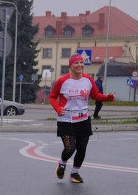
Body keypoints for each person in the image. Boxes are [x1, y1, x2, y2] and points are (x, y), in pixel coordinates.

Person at [49, 53, 115, 183]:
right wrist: (58, 109)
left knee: (82, 148)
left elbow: (95, 95)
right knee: (70, 148)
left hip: (83, 120)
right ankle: (62, 164)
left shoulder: (88, 80)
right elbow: (52, 97)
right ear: (71, 66)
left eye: (81, 63)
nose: (80, 65)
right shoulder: (62, 81)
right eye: (76, 63)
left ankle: (74, 173)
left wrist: (107, 98)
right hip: (66, 120)